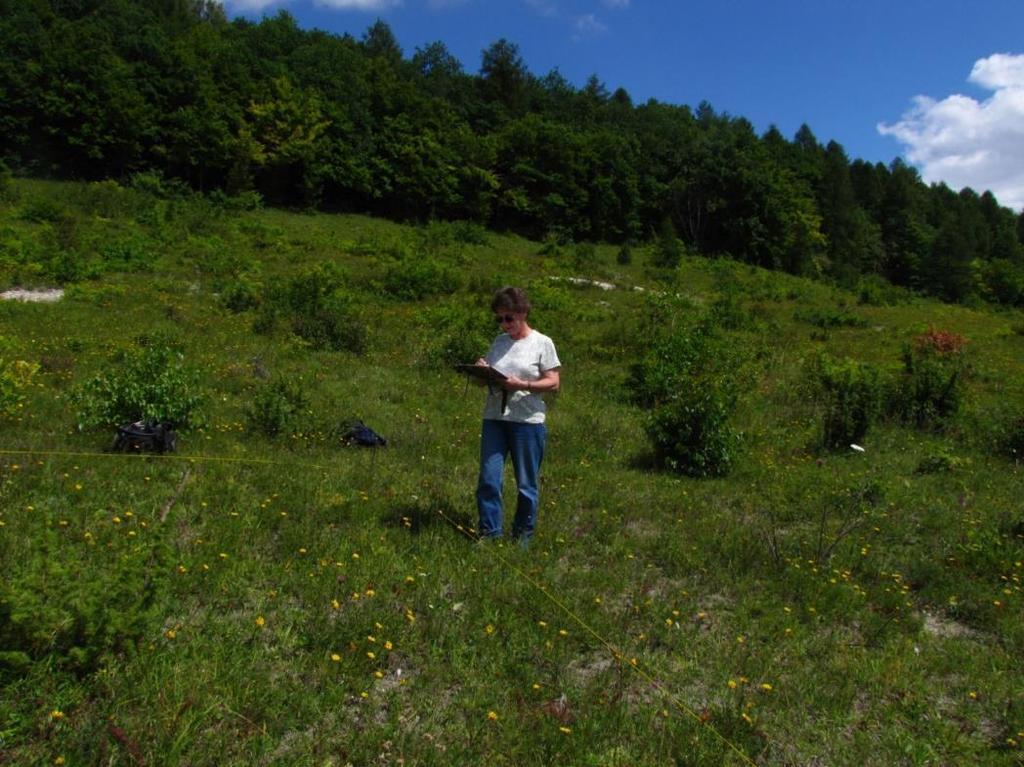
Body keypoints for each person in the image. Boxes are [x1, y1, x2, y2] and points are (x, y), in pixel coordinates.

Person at [474, 286, 561, 546]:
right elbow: (490, 378)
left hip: (527, 422)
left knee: (526, 483)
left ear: (523, 313)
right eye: (499, 319)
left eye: (508, 318)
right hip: (495, 419)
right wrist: (482, 371)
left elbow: (554, 382)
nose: (504, 324)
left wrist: (522, 385)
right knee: (489, 478)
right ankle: (490, 534)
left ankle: (522, 538)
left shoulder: (542, 343)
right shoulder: (499, 342)